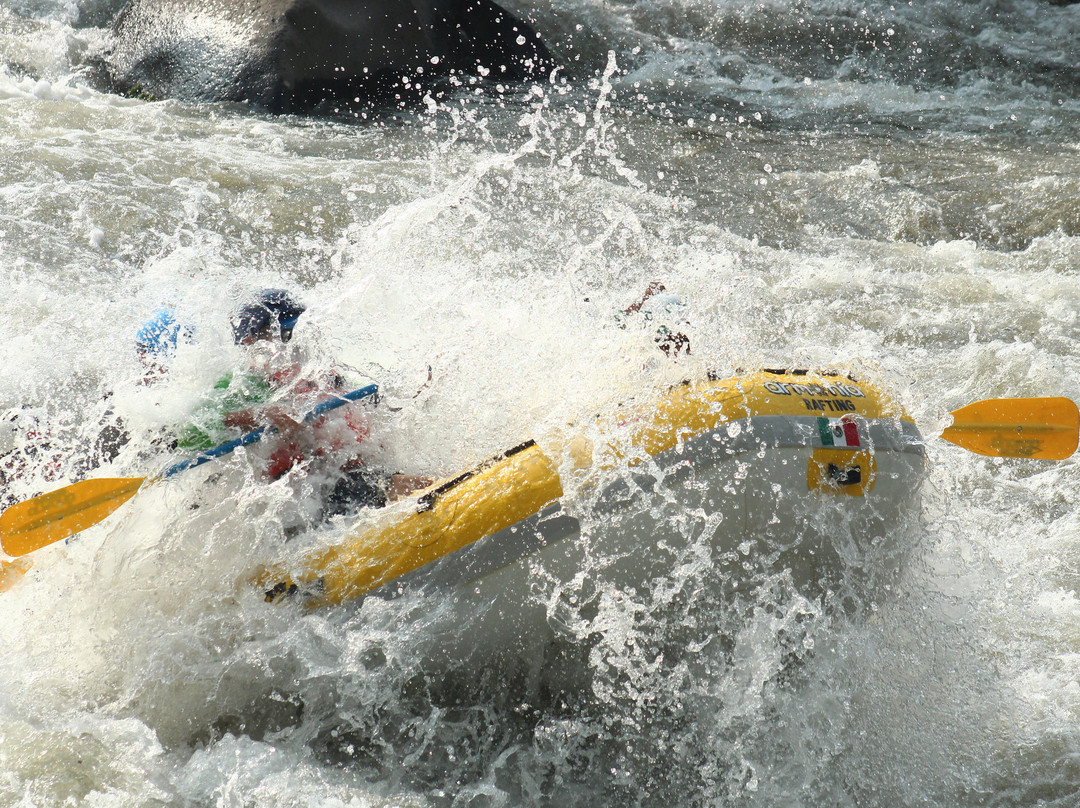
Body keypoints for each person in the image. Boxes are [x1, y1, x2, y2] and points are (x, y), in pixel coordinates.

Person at [177, 289, 428, 520]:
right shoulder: (242, 384)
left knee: (370, 477)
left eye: (300, 332)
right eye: (287, 334)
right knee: (361, 483)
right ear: (251, 342)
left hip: (347, 476)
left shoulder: (321, 373)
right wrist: (259, 415)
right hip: (291, 500)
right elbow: (187, 434)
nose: (296, 344)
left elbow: (378, 400)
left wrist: (414, 393)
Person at [619, 281, 691, 357]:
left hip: (660, 331)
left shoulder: (648, 305)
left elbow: (622, 317)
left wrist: (644, 297)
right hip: (675, 330)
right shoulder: (675, 298)